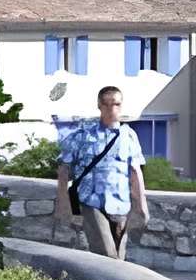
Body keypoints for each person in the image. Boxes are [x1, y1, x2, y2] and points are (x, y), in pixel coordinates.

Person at [64, 85, 154, 259]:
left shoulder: (129, 136)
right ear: (99, 106)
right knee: (107, 255)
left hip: (121, 206)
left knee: (118, 259)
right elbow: (64, 168)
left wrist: (142, 205)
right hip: (92, 202)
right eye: (106, 104)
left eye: (116, 104)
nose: (112, 109)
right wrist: (63, 200)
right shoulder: (84, 135)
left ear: (121, 106)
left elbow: (135, 172)